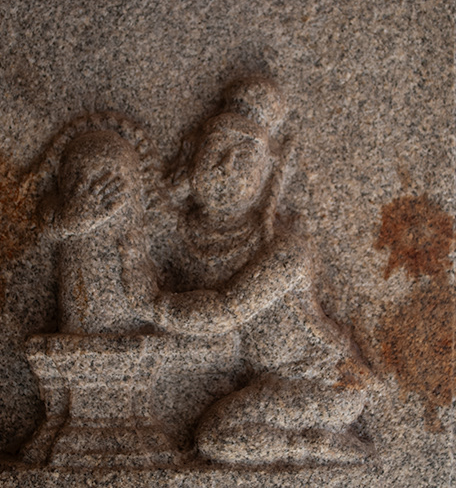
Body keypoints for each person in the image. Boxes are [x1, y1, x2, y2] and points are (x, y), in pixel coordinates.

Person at [156, 76, 374, 464]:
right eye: (215, 149)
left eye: (244, 158)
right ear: (192, 153)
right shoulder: (183, 234)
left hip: (326, 382)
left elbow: (222, 312)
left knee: (216, 437)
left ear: (268, 174)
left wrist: (151, 305)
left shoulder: (286, 252)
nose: (225, 166)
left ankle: (314, 445)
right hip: (266, 377)